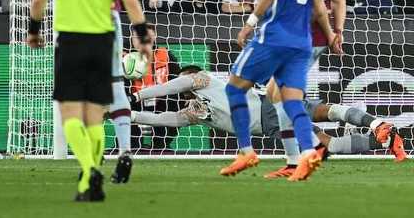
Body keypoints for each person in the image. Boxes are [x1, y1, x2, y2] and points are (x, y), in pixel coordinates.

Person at [27, 0, 153, 201]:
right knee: (104, 102)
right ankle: (123, 149)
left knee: (71, 112)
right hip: (105, 31)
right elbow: (131, 0)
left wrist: (33, 31)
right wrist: (142, 35)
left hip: (69, 34)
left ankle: (90, 168)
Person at [220, 0, 340, 181]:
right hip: (302, 43)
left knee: (234, 88)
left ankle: (246, 151)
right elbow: (321, 9)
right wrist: (332, 36)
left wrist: (250, 22)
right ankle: (308, 153)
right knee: (290, 99)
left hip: (274, 38)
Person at [131, 66, 406, 162]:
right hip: (272, 118)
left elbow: (178, 84)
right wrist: (129, 115)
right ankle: (380, 130)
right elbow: (162, 119)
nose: (182, 86)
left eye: (184, 81)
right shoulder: (195, 111)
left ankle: (380, 137)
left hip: (268, 111)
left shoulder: (204, 80)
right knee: (327, 113)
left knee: (327, 139)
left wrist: (138, 96)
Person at [262, 0, 352, 178]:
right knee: (275, 93)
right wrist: (337, 31)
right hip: (318, 35)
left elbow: (310, 6)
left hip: (303, 35)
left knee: (281, 95)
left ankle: (306, 154)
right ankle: (302, 155)